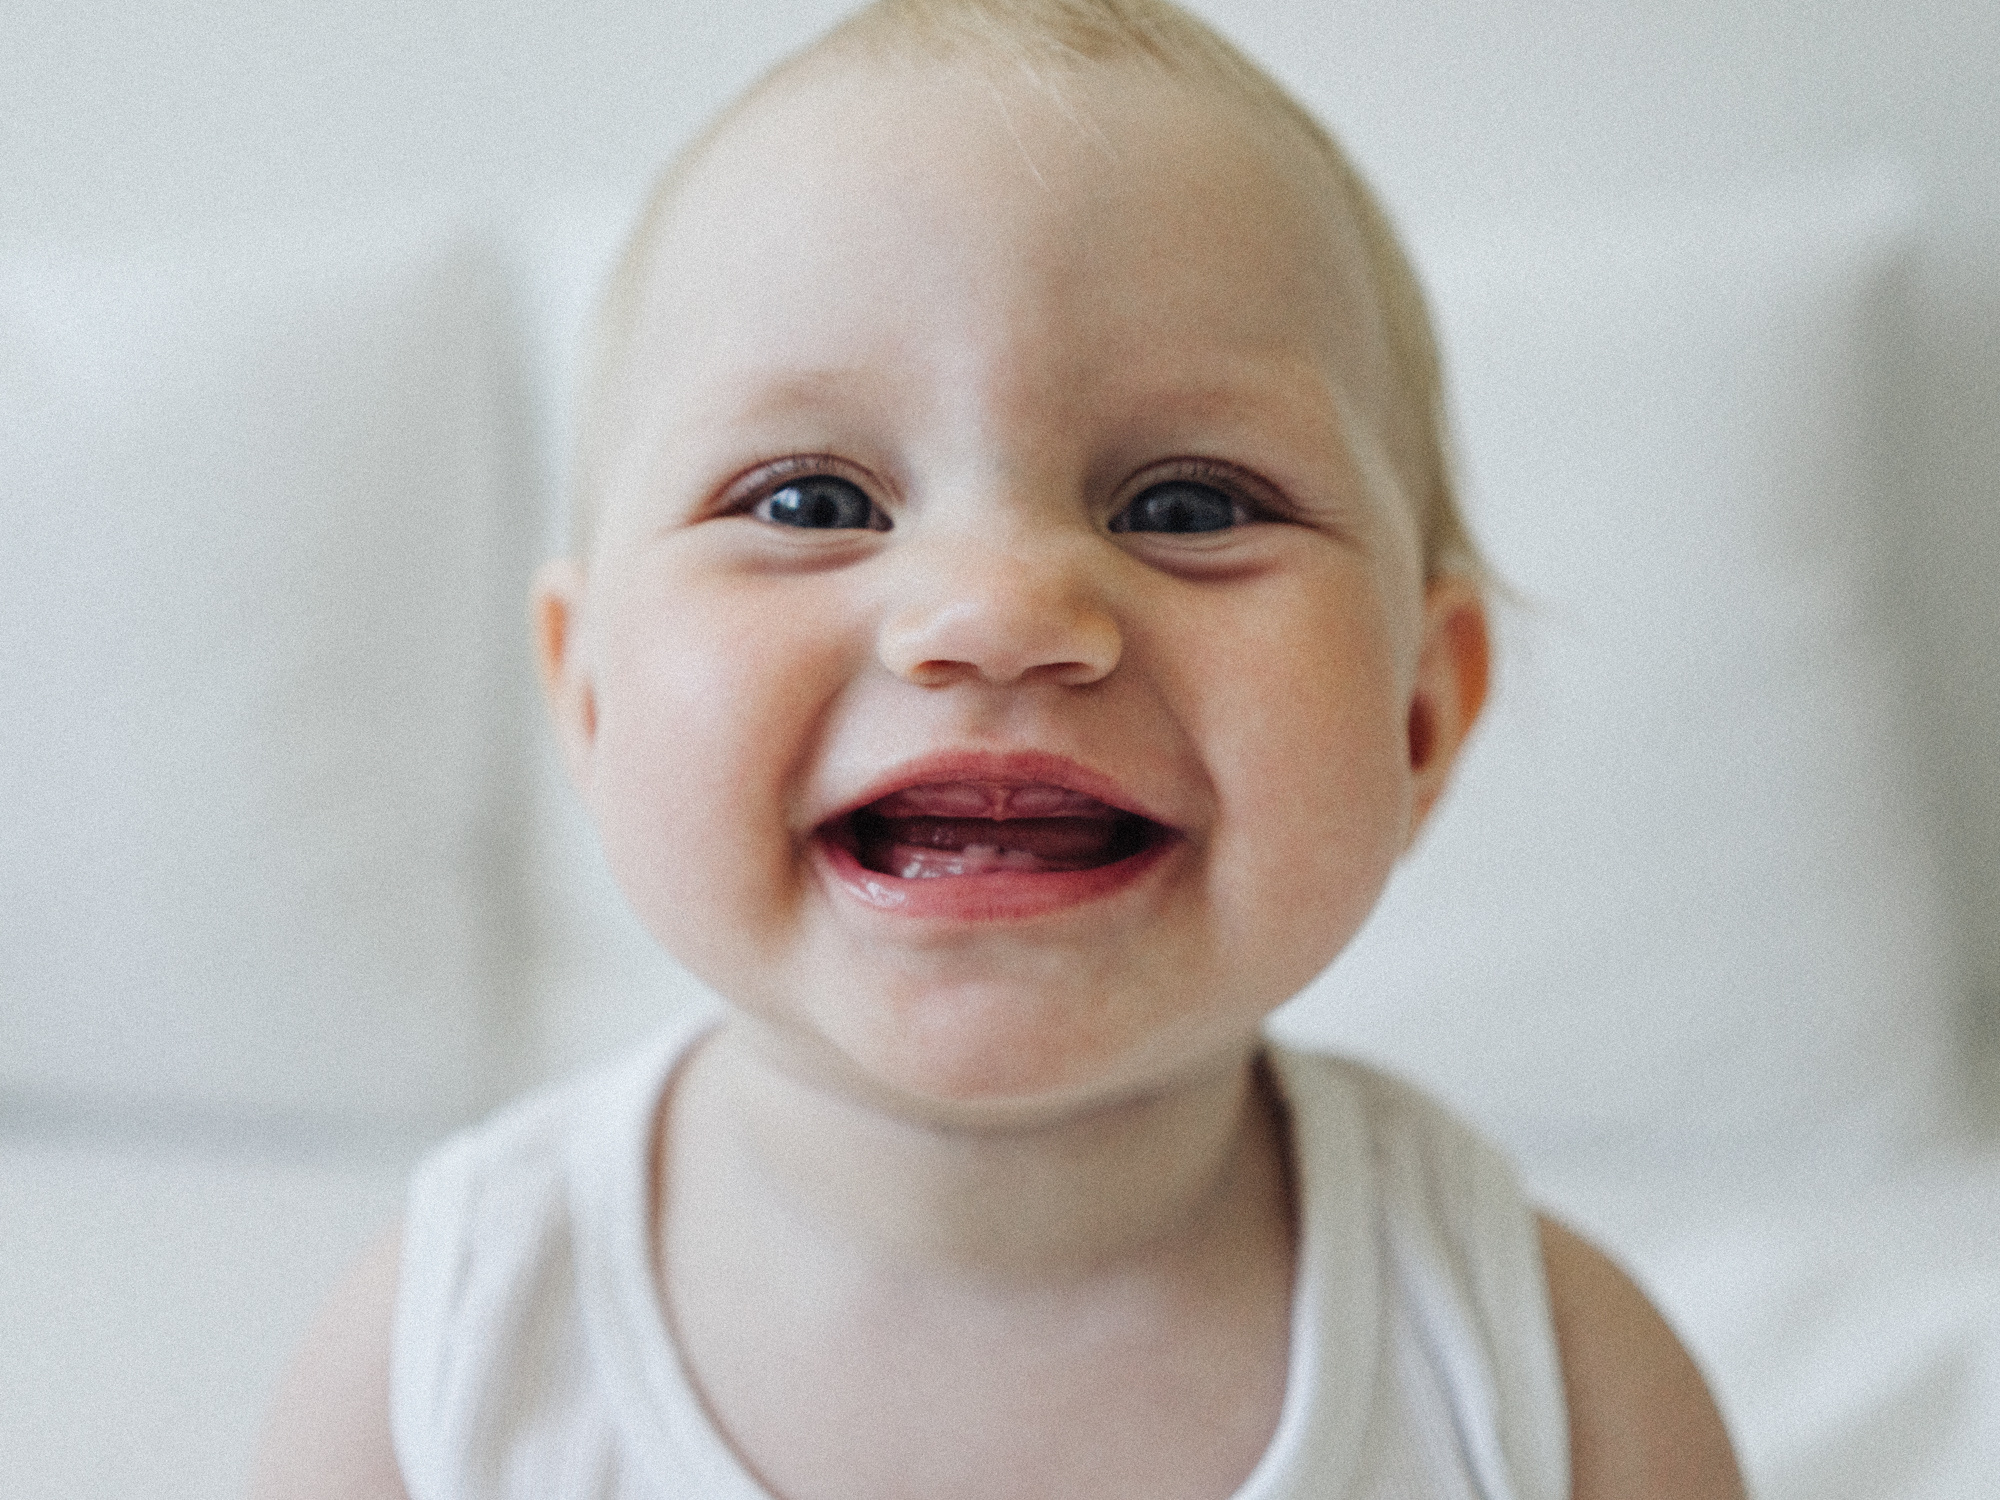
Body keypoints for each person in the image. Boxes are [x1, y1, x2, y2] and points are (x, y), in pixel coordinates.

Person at [254, 2, 1745, 1495]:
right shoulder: (446, 1368)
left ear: (1421, 715)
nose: (998, 611)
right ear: (588, 700)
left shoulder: (1551, 1392)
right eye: (809, 503)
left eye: (1187, 506)